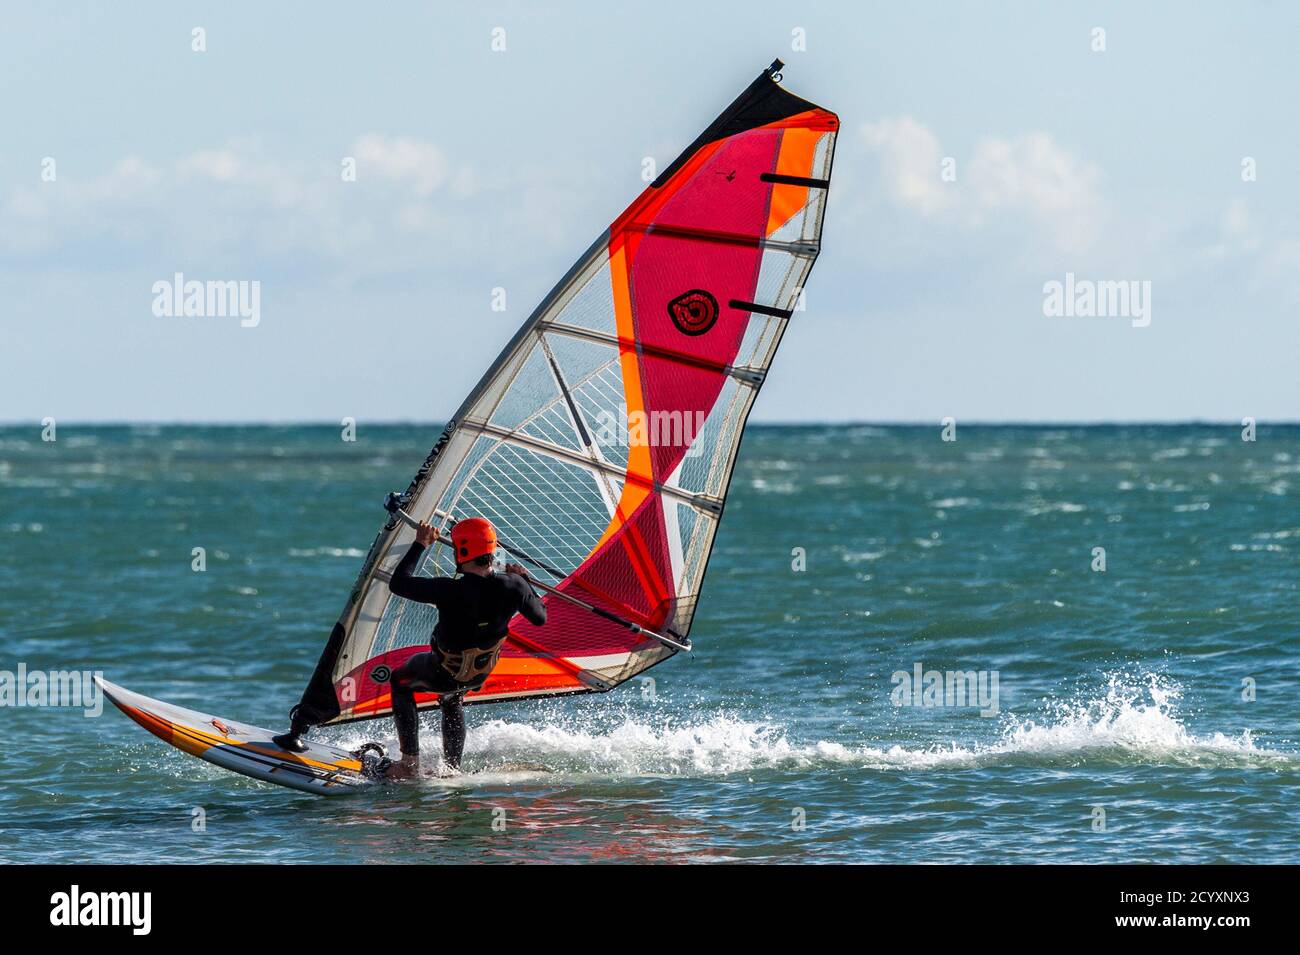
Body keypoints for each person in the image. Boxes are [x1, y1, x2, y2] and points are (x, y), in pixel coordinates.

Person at [382, 517, 546, 778]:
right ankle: (451, 769)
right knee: (452, 697)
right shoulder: (513, 586)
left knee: (400, 681)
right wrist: (525, 580)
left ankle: (408, 764)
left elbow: (398, 583)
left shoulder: (448, 589)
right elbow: (540, 618)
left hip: (443, 672)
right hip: (478, 675)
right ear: (493, 551)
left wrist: (420, 543)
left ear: (461, 552)